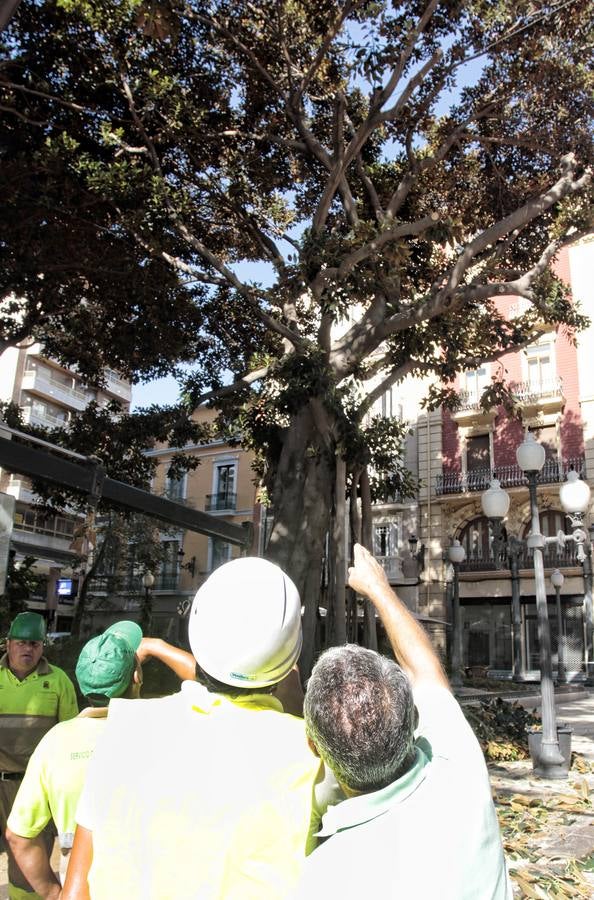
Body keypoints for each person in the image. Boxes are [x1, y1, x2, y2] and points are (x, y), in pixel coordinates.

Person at [62, 557, 324, 900]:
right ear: (291, 657)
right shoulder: (310, 755)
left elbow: (76, 887)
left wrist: (156, 646)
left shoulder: (127, 730)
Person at [297, 543, 512, 900]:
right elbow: (424, 668)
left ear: (313, 747)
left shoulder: (322, 876)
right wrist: (379, 588)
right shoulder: (459, 775)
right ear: (412, 721)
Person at [5, 622, 194, 900]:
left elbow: (18, 837)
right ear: (136, 678)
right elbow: (210, 684)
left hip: (78, 881)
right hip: (148, 880)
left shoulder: (55, 741)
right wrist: (154, 646)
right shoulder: (161, 725)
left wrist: (53, 893)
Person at [0, 612, 78, 900]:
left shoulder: (58, 681)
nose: (28, 649)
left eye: (34, 644)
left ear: (42, 648)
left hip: (36, 786)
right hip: (0, 780)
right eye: (22, 642)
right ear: (8, 644)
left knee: (30, 852)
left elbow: (68, 735)